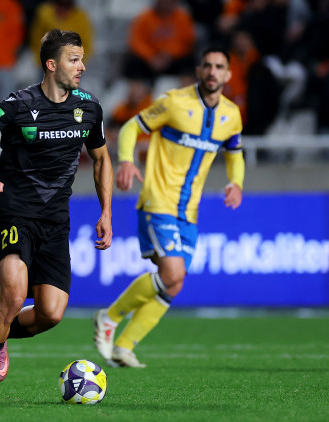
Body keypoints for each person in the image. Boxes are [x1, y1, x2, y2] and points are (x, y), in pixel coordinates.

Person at [0, 29, 113, 403]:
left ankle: (1, 332)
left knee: (50, 314)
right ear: (52, 64)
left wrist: (106, 212)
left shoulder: (90, 108)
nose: (82, 67)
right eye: (74, 60)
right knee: (13, 295)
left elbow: (102, 159)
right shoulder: (18, 104)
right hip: (15, 215)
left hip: (55, 222)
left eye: (82, 59)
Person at [93, 47, 245, 368]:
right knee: (172, 273)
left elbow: (234, 152)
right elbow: (132, 127)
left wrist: (236, 182)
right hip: (158, 200)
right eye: (207, 65)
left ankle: (124, 346)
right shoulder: (175, 102)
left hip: (189, 211)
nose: (213, 71)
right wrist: (126, 161)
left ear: (228, 74)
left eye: (219, 66)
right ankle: (110, 317)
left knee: (174, 283)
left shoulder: (231, 115)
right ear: (199, 70)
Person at [123, 0, 196, 83]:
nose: (166, 4)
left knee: (188, 61)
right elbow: (136, 41)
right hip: (150, 60)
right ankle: (137, 87)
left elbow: (187, 41)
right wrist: (151, 57)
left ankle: (186, 85)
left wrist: (169, 54)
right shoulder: (144, 17)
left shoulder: (182, 17)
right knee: (133, 62)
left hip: (173, 59)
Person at [29, 0, 93, 66]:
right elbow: (35, 38)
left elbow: (86, 44)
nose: (63, 8)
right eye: (60, 4)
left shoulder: (80, 18)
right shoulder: (44, 13)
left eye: (67, 5)